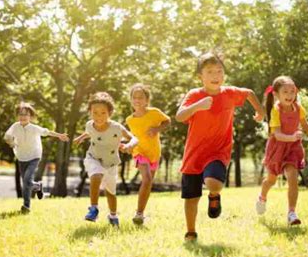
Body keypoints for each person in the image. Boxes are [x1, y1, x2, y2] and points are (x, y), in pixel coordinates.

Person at [175, 52, 265, 241]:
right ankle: (191, 232)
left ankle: (214, 195)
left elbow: (249, 93)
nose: (216, 75)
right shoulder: (194, 95)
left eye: (219, 71)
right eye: (210, 72)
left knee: (213, 183)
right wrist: (197, 106)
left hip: (218, 151)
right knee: (191, 197)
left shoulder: (229, 93)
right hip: (194, 154)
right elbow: (180, 116)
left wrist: (260, 111)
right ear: (201, 76)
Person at [256, 76, 308, 225]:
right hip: (278, 147)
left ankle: (292, 213)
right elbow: (278, 135)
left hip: (293, 148)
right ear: (276, 94)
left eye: (292, 92)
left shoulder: (298, 108)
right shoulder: (275, 110)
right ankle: (262, 196)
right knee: (271, 180)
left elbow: (305, 124)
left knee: (293, 179)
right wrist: (293, 136)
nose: (289, 95)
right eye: (285, 92)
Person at [74, 92, 138, 227]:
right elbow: (90, 132)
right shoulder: (89, 125)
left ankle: (113, 215)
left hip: (111, 163)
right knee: (96, 176)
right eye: (95, 113)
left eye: (103, 113)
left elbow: (134, 138)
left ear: (110, 113)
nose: (99, 116)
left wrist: (129, 145)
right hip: (93, 157)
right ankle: (93, 208)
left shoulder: (116, 128)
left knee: (111, 193)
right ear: (90, 112)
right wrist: (81, 137)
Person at [4, 102, 69, 214]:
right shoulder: (15, 126)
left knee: (26, 180)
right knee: (27, 182)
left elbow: (47, 132)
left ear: (30, 116)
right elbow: (7, 136)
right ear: (17, 116)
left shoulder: (34, 128)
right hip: (21, 157)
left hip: (34, 156)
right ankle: (38, 186)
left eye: (26, 115)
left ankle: (26, 206)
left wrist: (59, 135)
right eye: (21, 114)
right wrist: (11, 143)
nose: (23, 117)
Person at [126, 83, 170, 225]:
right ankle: (138, 213)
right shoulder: (129, 120)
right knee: (147, 179)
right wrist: (127, 145)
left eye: (141, 97)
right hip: (139, 152)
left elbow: (167, 121)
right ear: (131, 100)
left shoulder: (154, 113)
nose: (137, 100)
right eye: (134, 97)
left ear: (146, 100)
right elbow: (132, 136)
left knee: (148, 182)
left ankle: (140, 213)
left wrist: (157, 129)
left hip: (154, 153)